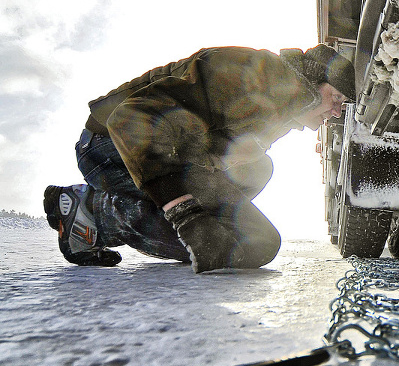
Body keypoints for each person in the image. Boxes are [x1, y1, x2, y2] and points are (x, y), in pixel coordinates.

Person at [43, 45, 355, 273]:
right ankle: (92, 209)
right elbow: (129, 118)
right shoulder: (249, 72)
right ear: (313, 82)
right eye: (337, 98)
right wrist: (186, 215)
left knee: (256, 231)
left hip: (170, 156)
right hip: (110, 144)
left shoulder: (280, 112)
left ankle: (113, 217)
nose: (338, 111)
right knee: (221, 241)